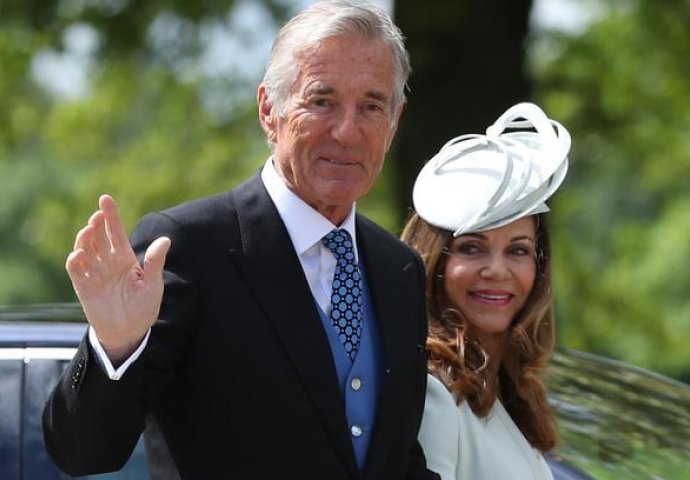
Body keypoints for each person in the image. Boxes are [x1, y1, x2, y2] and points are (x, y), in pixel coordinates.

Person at [42, 2, 440, 479]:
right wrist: (115, 346)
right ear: (269, 110)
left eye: (372, 107)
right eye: (322, 101)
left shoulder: (399, 269)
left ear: (394, 122)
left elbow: (397, 460)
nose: (347, 131)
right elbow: (82, 453)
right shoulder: (188, 248)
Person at [401, 102, 572, 480]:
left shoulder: (513, 394)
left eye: (518, 250)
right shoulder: (433, 393)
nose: (497, 270)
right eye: (470, 248)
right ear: (434, 261)